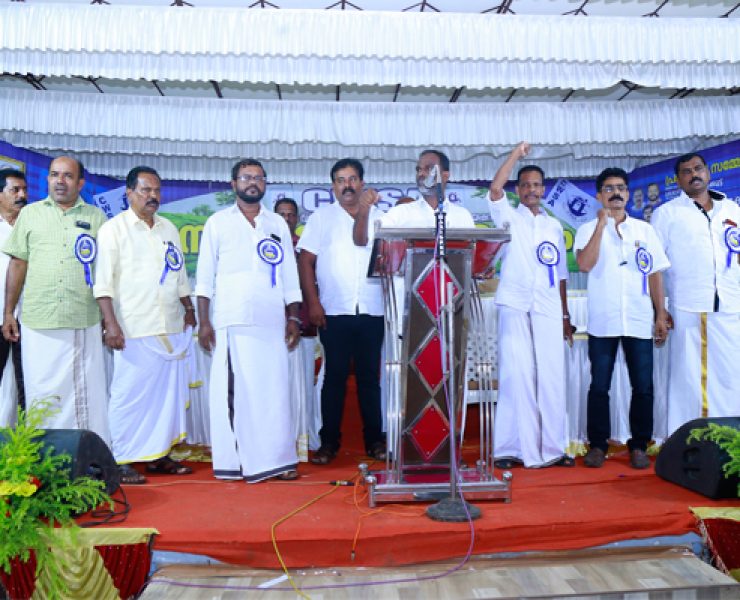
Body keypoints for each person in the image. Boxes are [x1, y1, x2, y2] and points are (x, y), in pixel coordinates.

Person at [196, 159, 301, 482]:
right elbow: (204, 276)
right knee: (236, 395)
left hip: (271, 321)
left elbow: (289, 274)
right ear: (233, 183)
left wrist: (293, 317)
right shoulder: (217, 223)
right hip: (232, 320)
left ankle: (276, 460)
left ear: (265, 183)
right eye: (246, 177)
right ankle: (237, 462)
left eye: (258, 177)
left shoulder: (277, 223)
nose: (252, 182)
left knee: (273, 392)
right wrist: (204, 321)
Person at [94, 166, 195, 485]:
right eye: (145, 190)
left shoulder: (168, 228)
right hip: (133, 327)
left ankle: (158, 455)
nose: (152, 196)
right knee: (129, 395)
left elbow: (179, 274)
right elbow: (103, 283)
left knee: (164, 397)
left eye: (156, 190)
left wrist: (188, 307)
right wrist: (110, 324)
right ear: (129, 193)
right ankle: (121, 458)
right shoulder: (113, 230)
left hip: (171, 323)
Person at [2, 156, 109, 442]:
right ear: (47, 179)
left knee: (84, 393)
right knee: (41, 389)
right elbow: (18, 264)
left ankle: (85, 452)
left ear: (80, 183)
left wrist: (108, 318)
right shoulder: (30, 214)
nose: (60, 181)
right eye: (54, 174)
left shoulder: (97, 218)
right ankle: (45, 451)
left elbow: (105, 271)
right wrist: (8, 313)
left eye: (67, 176)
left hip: (82, 318)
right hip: (38, 319)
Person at [574, 167, 670, 469]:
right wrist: (602, 226)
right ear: (599, 195)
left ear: (627, 193)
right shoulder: (587, 229)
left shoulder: (645, 230)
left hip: (639, 319)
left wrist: (660, 314)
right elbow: (585, 265)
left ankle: (639, 445)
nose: (616, 193)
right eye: (609, 188)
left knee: (643, 386)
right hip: (603, 321)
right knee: (599, 386)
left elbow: (654, 274)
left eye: (620, 188)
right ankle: (597, 445)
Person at [486, 142, 574, 469]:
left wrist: (564, 315)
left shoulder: (553, 226)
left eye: (537, 185)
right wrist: (514, 155)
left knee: (551, 375)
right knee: (516, 375)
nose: (532, 190)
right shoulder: (509, 216)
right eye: (525, 185)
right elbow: (495, 190)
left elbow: (561, 274)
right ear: (519, 190)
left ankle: (553, 449)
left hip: (548, 305)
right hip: (514, 302)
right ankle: (510, 449)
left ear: (543, 190)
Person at [298, 159, 386, 465]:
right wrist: (313, 303)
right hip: (334, 310)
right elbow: (306, 262)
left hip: (373, 309)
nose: (347, 185)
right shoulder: (321, 218)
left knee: (369, 379)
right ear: (333, 186)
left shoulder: (381, 218)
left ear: (362, 183)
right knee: (333, 378)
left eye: (352, 179)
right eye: (340, 180)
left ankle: (375, 441)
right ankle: (328, 443)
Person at [651, 153, 740, 436]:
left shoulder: (732, 210)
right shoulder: (667, 213)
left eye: (698, 169)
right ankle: (688, 439)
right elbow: (655, 267)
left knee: (730, 374)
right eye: (686, 172)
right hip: (690, 306)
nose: (694, 175)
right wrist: (660, 312)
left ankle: (730, 437)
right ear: (678, 180)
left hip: (731, 306)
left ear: (708, 172)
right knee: (690, 379)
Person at [274, 197, 320, 457]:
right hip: (270, 326)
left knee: (302, 385)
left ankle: (302, 438)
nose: (286, 219)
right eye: (281, 214)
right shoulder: (264, 245)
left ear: (298, 219)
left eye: (291, 214)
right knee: (275, 385)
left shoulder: (304, 248)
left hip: (302, 325)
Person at [0, 169, 27, 418]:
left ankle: (26, 435)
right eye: (15, 190)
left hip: (27, 317)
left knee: (26, 381)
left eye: (24, 190)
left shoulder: (31, 227)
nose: (22, 195)